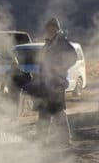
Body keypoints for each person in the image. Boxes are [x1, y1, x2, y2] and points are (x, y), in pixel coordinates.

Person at [32, 17, 77, 145]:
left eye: (51, 27)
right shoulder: (48, 43)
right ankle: (41, 140)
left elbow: (73, 57)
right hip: (45, 83)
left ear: (56, 28)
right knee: (44, 111)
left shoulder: (61, 42)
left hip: (56, 82)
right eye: (48, 27)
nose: (49, 29)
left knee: (58, 111)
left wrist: (60, 67)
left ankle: (65, 139)